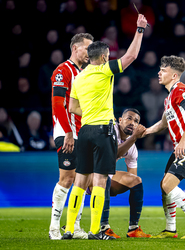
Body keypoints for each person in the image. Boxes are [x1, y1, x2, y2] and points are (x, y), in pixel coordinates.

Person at [62, 14, 148, 240]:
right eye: (108, 56)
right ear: (103, 57)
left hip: (85, 131)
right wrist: (139, 30)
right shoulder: (103, 70)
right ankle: (94, 231)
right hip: (103, 131)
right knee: (100, 180)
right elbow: (131, 56)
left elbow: (71, 106)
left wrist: (89, 112)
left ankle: (69, 229)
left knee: (80, 181)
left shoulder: (79, 77)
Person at [143, 55, 185, 239]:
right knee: (165, 187)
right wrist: (145, 132)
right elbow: (163, 123)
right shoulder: (169, 97)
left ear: (174, 75)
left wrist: (182, 140)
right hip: (182, 145)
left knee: (168, 184)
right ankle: (170, 229)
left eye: (163, 70)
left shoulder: (181, 90)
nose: (159, 72)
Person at [49, 33, 94, 240]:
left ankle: (74, 227)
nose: (90, 52)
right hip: (67, 132)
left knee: (81, 181)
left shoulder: (82, 72)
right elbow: (58, 104)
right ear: (75, 48)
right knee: (66, 178)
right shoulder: (62, 71)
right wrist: (67, 131)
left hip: (81, 133)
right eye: (87, 48)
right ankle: (54, 229)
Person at [82, 108, 150, 238]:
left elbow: (132, 178)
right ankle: (104, 227)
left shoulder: (132, 147)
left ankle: (133, 228)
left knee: (136, 180)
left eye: (136, 121)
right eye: (129, 118)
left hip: (104, 176)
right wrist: (134, 137)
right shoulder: (110, 130)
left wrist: (114, 188)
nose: (132, 123)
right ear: (120, 120)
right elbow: (110, 155)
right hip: (87, 175)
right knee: (104, 176)